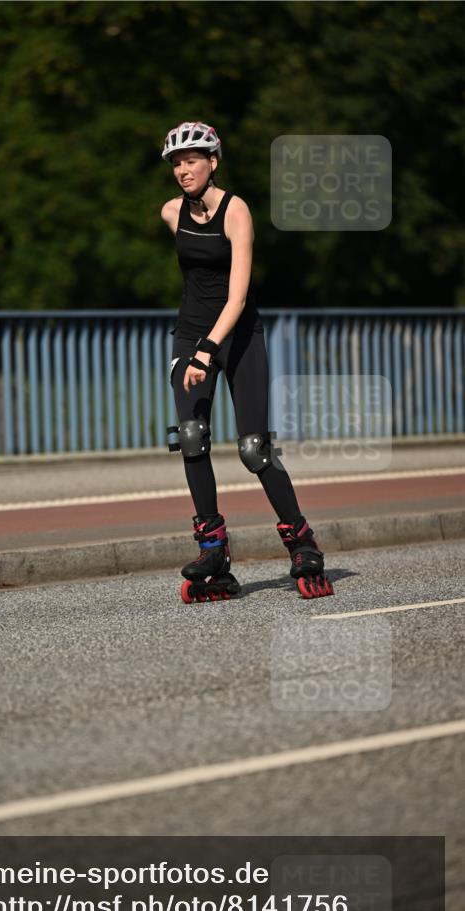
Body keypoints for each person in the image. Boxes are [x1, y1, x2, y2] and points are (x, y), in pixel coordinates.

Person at [161, 121, 333, 601]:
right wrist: (194, 347)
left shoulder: (236, 211)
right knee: (191, 436)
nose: (183, 170)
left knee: (254, 447)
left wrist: (207, 349)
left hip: (237, 336)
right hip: (190, 334)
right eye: (176, 163)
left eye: (192, 160)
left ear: (213, 162)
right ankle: (212, 550)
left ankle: (302, 543)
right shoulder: (172, 212)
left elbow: (236, 298)